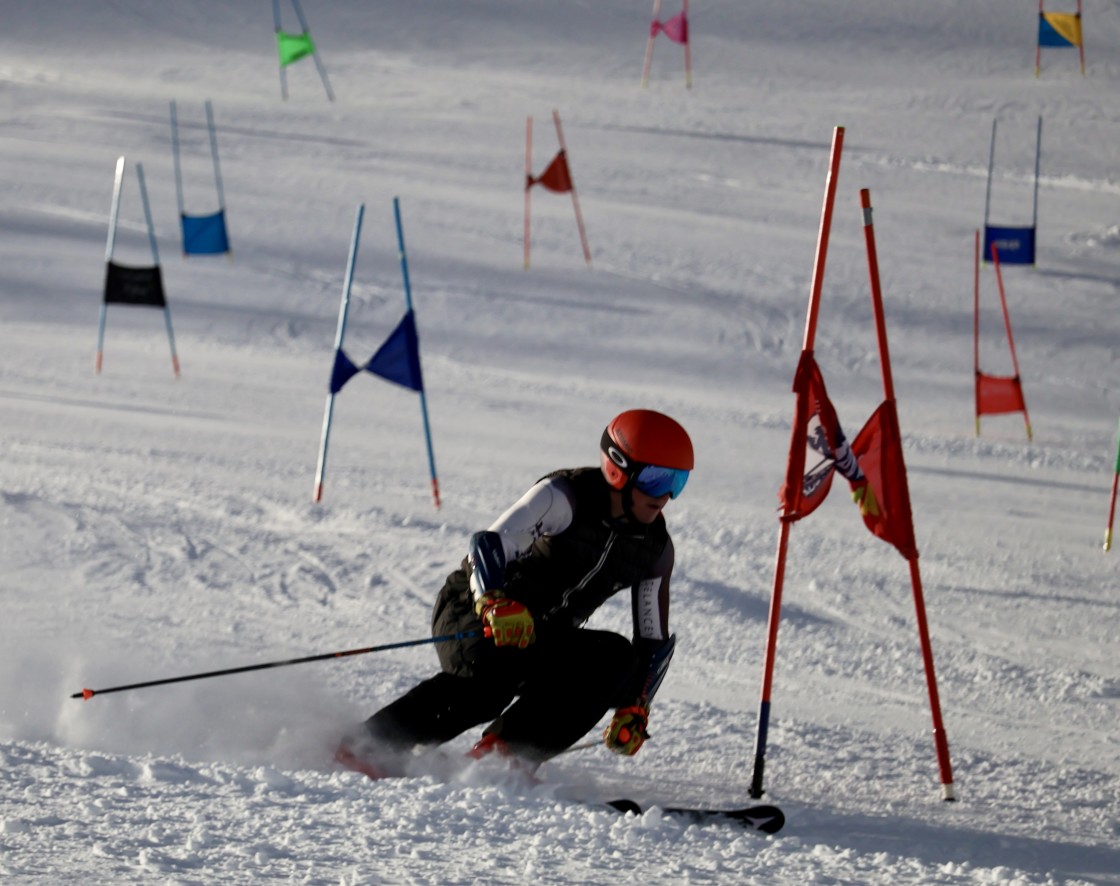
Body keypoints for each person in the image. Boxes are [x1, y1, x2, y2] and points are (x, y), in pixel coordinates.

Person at [338, 408, 694, 778]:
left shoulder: (655, 549)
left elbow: (651, 640)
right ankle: (366, 747)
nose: (666, 495)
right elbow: (489, 544)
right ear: (619, 468)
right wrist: (493, 600)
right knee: (490, 685)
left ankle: (503, 759)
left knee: (614, 658)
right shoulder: (565, 497)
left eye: (678, 482)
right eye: (656, 479)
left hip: (538, 634)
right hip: (473, 605)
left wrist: (637, 704)